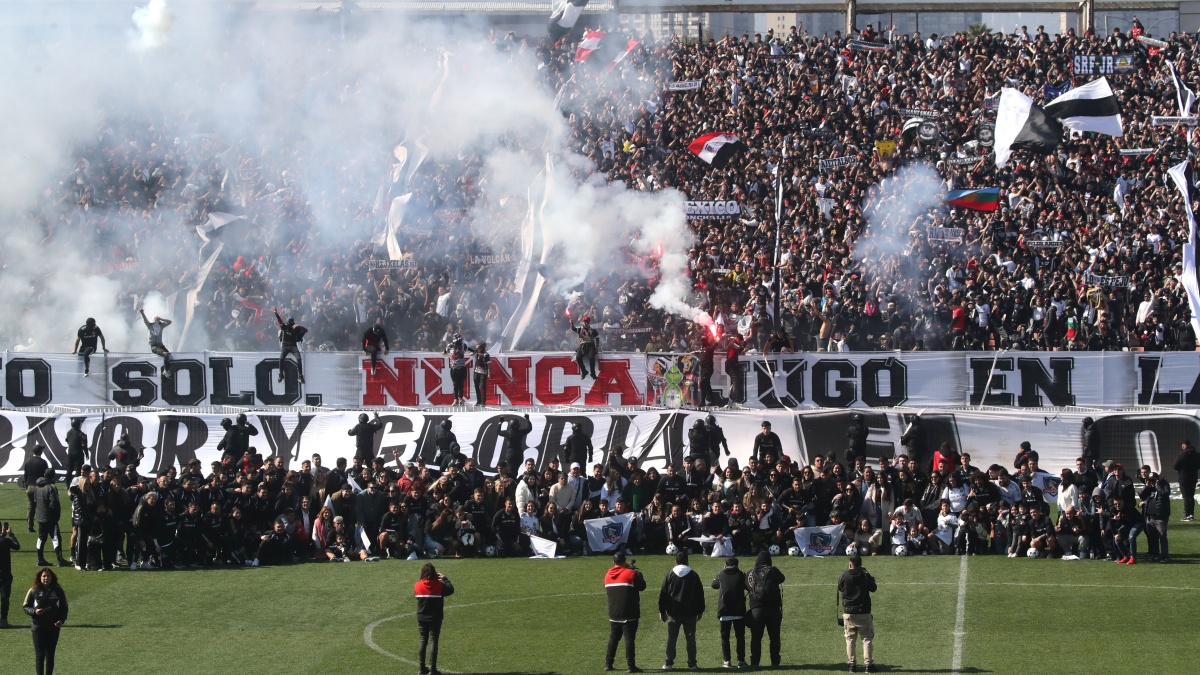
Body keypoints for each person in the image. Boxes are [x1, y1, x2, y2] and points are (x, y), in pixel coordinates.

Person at [658, 549, 705, 671]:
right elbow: (700, 594)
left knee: (672, 638)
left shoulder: (669, 575)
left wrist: (662, 611)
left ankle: (668, 663)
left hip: (673, 613)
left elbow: (663, 594)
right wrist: (700, 610)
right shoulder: (693, 575)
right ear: (687, 561)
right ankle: (692, 664)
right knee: (690, 639)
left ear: (676, 561)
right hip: (690, 613)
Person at [605, 551, 646, 673]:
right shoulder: (631, 574)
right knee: (629, 639)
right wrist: (637, 573)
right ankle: (630, 666)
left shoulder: (608, 575)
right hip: (629, 612)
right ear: (624, 561)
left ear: (613, 562)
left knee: (613, 638)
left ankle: (608, 663)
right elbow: (642, 586)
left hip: (614, 613)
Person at [23, 567, 67, 675]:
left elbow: (64, 608)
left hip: (53, 627)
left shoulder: (58, 591)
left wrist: (61, 620)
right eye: (44, 576)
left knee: (50, 655)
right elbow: (25, 606)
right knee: (40, 655)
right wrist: (34, 611)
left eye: (48, 576)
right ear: (40, 577)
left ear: (52, 577)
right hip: (38, 628)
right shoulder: (33, 591)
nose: (46, 578)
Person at [746, 550, 785, 669]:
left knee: (756, 638)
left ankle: (755, 663)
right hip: (773, 609)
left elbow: (747, 586)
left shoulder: (750, 573)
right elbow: (782, 579)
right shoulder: (774, 571)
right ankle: (775, 662)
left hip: (756, 609)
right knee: (774, 637)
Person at [839, 554, 878, 673]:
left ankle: (852, 665)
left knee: (850, 640)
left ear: (851, 564)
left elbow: (840, 588)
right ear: (860, 564)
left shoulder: (844, 575)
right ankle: (868, 665)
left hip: (849, 613)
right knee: (866, 639)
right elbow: (873, 588)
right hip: (864, 612)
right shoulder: (865, 575)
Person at [414, 562, 454, 675]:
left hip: (422, 616)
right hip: (435, 617)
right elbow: (451, 590)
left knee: (423, 640)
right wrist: (445, 579)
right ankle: (433, 669)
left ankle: (422, 668)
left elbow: (417, 597)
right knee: (433, 641)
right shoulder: (439, 585)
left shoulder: (417, 585)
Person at [711, 556, 748, 669]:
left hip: (724, 611)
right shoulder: (741, 575)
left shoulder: (721, 574)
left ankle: (727, 660)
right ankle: (741, 660)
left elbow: (714, 585)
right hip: (739, 611)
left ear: (726, 565)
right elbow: (747, 587)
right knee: (740, 637)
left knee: (725, 638)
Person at [33, 473, 68, 568]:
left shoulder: (37, 487)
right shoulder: (50, 487)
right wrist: (56, 515)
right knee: (56, 538)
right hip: (50, 518)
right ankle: (60, 560)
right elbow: (53, 503)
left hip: (40, 517)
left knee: (41, 538)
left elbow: (35, 500)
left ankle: (40, 559)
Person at [273, 307, 308, 383]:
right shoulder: (284, 327)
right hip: (285, 346)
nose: (290, 323)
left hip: (293, 346)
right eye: (289, 321)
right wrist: (276, 313)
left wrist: (298, 326)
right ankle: (281, 375)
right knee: (281, 359)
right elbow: (279, 320)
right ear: (287, 321)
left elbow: (306, 330)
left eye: (292, 322)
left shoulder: (295, 328)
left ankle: (300, 376)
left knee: (299, 359)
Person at [21, 445, 50, 533]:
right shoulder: (43, 462)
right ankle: (43, 525)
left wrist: (26, 485)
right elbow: (46, 476)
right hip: (39, 486)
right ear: (40, 452)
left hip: (30, 486)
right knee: (42, 506)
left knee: (31, 506)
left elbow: (25, 474)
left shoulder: (28, 461)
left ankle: (30, 525)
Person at [138, 308, 173, 379]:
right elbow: (145, 320)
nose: (156, 322)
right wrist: (142, 313)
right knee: (165, 354)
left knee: (169, 355)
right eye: (155, 320)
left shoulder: (161, 326)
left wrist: (161, 319)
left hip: (161, 345)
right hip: (154, 346)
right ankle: (166, 371)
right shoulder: (150, 326)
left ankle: (166, 369)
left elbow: (170, 322)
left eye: (157, 320)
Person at [1174, 440, 1199, 521]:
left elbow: (1175, 466)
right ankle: (1191, 514)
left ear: (1184, 445)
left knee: (1186, 496)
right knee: (1191, 496)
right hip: (1193, 478)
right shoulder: (1197, 455)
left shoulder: (1181, 455)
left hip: (1183, 478)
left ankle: (1187, 514)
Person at [0, 522, 19, 628]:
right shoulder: (6, 541)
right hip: (5, 575)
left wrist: (3, 535)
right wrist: (10, 534)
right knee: (5, 598)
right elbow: (17, 546)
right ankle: (3, 620)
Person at [572, 315, 601, 379]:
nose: (586, 323)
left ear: (589, 322)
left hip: (591, 345)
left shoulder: (593, 330)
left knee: (591, 358)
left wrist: (597, 346)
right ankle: (584, 371)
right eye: (585, 321)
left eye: (587, 321)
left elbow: (597, 338)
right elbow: (573, 329)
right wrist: (572, 323)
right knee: (578, 357)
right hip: (582, 345)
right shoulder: (580, 329)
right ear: (583, 322)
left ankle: (592, 373)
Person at [444, 333, 469, 405]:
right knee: (455, 384)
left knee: (460, 384)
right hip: (454, 368)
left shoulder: (463, 345)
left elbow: (469, 349)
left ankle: (460, 399)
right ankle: (455, 399)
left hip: (461, 367)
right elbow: (445, 351)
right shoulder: (450, 345)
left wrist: (473, 352)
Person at [472, 341, 491, 407]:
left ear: (481, 346)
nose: (476, 345)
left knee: (482, 387)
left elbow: (489, 364)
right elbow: (471, 352)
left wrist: (489, 373)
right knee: (476, 386)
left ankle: (483, 402)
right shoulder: (476, 352)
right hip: (476, 371)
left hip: (483, 372)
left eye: (478, 344)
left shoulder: (486, 354)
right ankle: (478, 401)